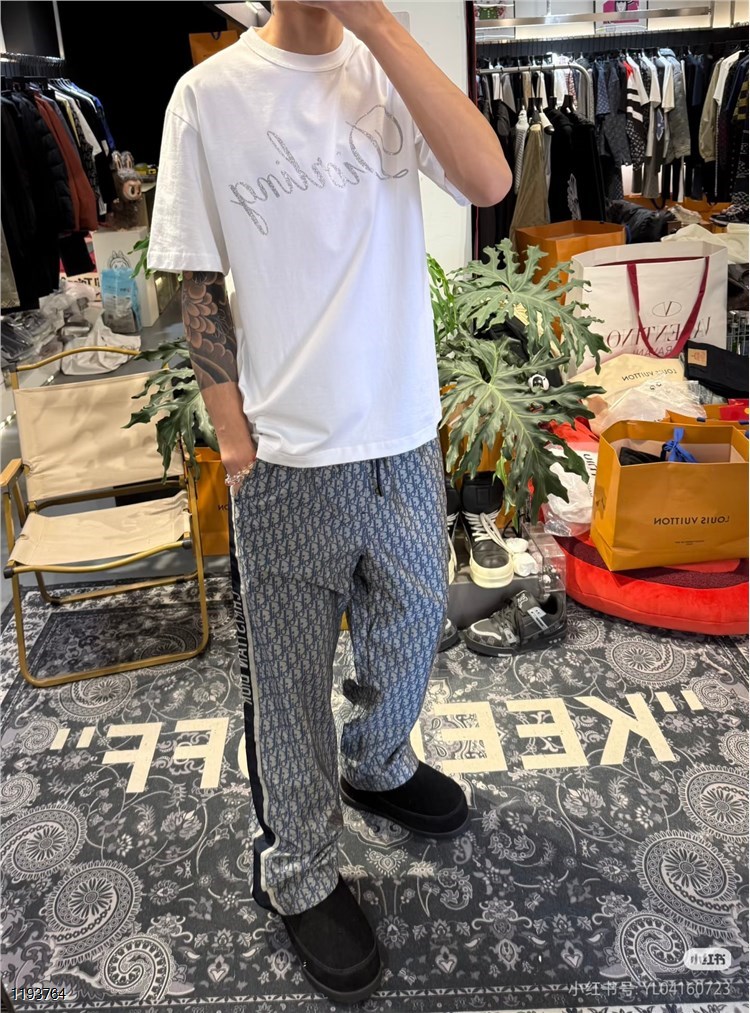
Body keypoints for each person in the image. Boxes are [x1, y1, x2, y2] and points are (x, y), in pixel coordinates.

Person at [148, 0, 511, 1003]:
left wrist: (383, 28)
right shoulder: (207, 96)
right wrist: (231, 431)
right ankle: (301, 868)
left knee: (413, 626)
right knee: (290, 680)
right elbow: (196, 281)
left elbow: (489, 180)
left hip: (403, 436)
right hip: (285, 454)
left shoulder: (389, 65)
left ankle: (379, 762)